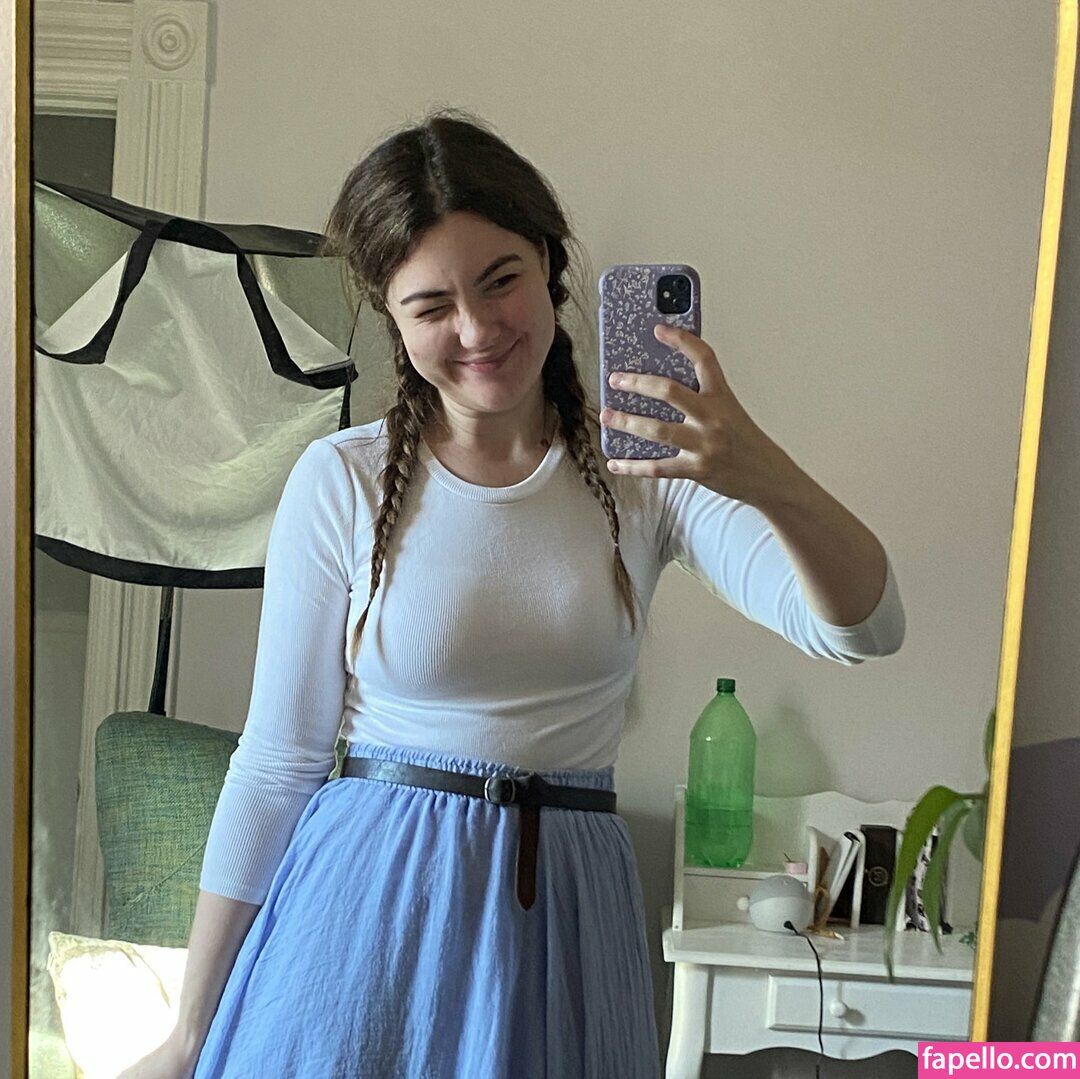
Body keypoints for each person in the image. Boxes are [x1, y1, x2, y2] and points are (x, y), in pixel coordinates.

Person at [122, 110, 905, 1079]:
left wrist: (758, 467)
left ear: (550, 265)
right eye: (431, 305)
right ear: (392, 317)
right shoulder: (342, 481)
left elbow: (865, 626)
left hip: (564, 921)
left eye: (501, 280)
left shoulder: (648, 478)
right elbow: (278, 763)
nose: (478, 329)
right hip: (365, 909)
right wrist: (187, 1033)